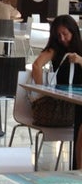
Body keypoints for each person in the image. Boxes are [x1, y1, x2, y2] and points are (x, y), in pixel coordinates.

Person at [32, 14, 82, 166]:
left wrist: (80, 60)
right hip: (62, 103)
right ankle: (78, 170)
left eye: (65, 34)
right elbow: (36, 65)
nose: (62, 39)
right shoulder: (55, 48)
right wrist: (42, 92)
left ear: (73, 32)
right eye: (58, 35)